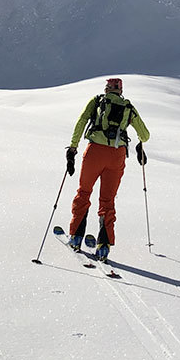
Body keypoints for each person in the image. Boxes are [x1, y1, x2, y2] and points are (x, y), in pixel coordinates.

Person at [65, 78, 150, 261]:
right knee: (107, 200)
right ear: (120, 90)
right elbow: (145, 135)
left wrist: (73, 148)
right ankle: (103, 245)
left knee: (84, 191)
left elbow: (81, 122)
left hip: (95, 151)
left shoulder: (97, 101)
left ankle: (76, 237)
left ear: (107, 88)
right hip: (117, 155)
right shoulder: (129, 107)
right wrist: (139, 145)